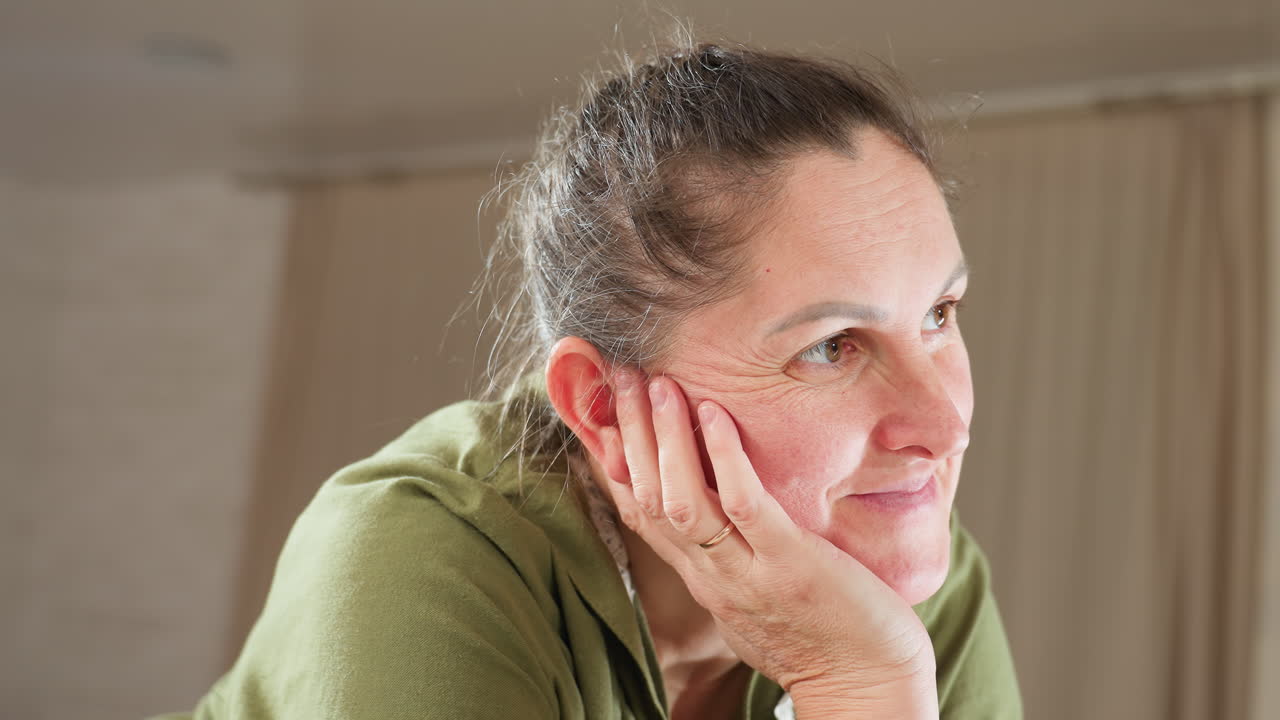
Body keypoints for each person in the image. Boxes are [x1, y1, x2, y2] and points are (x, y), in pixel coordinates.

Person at [153, 35, 1021, 720]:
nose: (944, 426)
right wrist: (859, 688)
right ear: (601, 406)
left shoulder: (908, 569)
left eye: (940, 316)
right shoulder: (422, 559)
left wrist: (872, 672)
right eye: (831, 346)